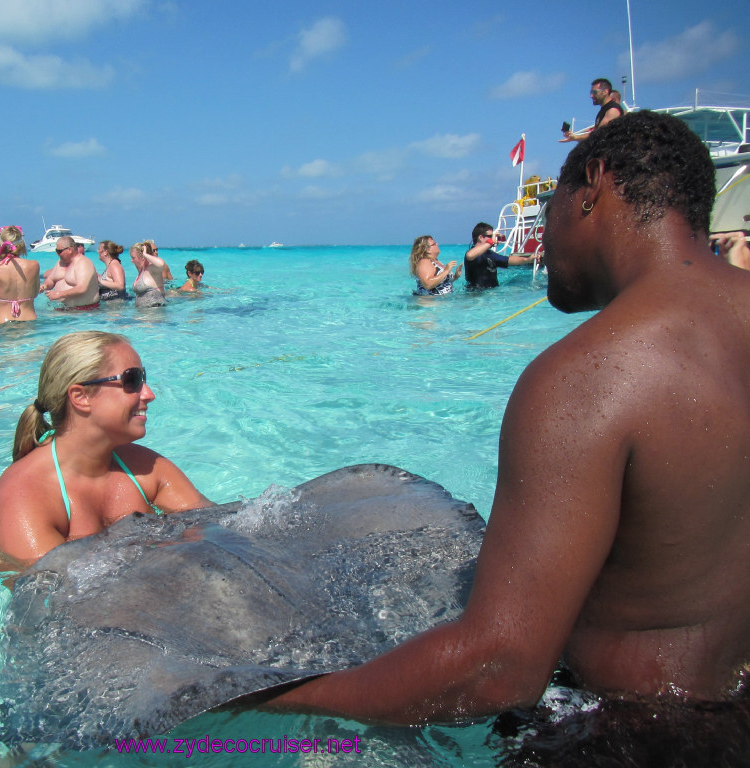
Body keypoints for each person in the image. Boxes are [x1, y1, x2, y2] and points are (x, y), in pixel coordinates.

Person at [269, 112, 750, 747]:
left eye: (551, 206)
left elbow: (498, 670)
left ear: (594, 185)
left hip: (624, 734)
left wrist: (277, 697)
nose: (542, 235)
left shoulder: (588, 376)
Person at [0, 331, 212, 566]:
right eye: (132, 381)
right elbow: (47, 594)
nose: (149, 394)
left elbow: (217, 532)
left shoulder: (146, 468)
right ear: (81, 396)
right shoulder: (24, 498)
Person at [0, 226, 40, 323]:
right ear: (21, 244)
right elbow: (35, 294)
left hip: (4, 320)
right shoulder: (34, 265)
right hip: (28, 319)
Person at [463, 222, 537, 289]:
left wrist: (527, 260)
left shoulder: (490, 254)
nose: (493, 238)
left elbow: (508, 260)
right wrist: (490, 242)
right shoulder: (472, 253)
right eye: (490, 236)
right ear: (481, 237)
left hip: (492, 294)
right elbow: (470, 255)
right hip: (475, 294)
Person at [42, 236, 99, 310]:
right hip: (64, 309)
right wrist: (44, 286)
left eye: (59, 251)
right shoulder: (60, 263)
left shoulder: (83, 263)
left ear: (69, 249)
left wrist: (59, 294)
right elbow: (51, 279)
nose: (57, 254)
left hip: (83, 311)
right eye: (56, 250)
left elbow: (82, 288)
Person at [561, 78, 622, 143]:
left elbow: (598, 133)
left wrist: (575, 137)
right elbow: (594, 134)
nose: (591, 95)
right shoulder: (604, 110)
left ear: (605, 92)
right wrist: (573, 137)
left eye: (594, 92)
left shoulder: (613, 110)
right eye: (591, 92)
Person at [131, 242, 167, 307]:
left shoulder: (152, 269)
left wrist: (145, 254)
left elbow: (161, 264)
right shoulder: (142, 271)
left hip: (154, 312)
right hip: (143, 313)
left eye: (133, 258)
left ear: (142, 258)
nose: (131, 260)